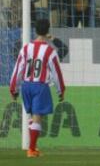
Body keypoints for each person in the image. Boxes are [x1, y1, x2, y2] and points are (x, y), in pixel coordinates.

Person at [9, 19, 65, 157]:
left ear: (35, 30)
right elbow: (56, 72)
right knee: (37, 118)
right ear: (48, 31)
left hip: (26, 86)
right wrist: (61, 89)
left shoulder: (26, 48)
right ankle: (31, 149)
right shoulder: (49, 51)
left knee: (32, 117)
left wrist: (13, 88)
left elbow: (18, 69)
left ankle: (33, 147)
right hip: (40, 87)